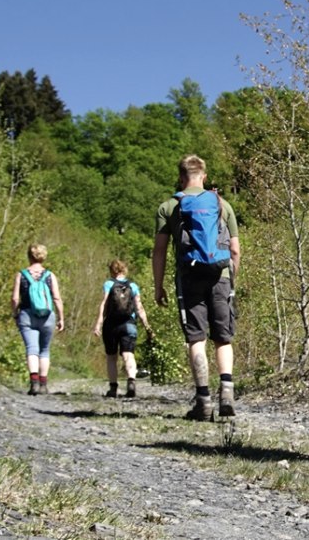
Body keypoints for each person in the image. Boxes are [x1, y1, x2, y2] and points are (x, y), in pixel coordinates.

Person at [153, 155, 242, 420]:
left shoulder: (169, 206)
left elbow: (159, 252)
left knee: (196, 338)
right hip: (221, 276)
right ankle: (226, 391)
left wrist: (158, 287)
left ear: (181, 178)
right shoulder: (221, 204)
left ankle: (203, 400)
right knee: (222, 337)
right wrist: (230, 278)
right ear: (204, 176)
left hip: (188, 277)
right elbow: (235, 250)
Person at [11, 244, 65, 395]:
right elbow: (57, 298)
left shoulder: (21, 275)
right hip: (47, 316)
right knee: (45, 350)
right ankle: (43, 384)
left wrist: (15, 314)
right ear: (43, 257)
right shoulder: (49, 275)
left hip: (27, 315)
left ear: (29, 256)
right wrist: (61, 318)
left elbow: (15, 298)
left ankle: (33, 382)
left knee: (31, 349)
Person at [94, 259, 152, 398]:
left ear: (111, 271)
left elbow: (104, 304)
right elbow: (139, 307)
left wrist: (98, 324)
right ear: (124, 270)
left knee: (111, 357)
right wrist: (147, 327)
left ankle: (113, 388)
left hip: (111, 324)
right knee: (128, 354)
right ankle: (131, 382)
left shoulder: (109, 284)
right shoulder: (133, 286)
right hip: (129, 324)